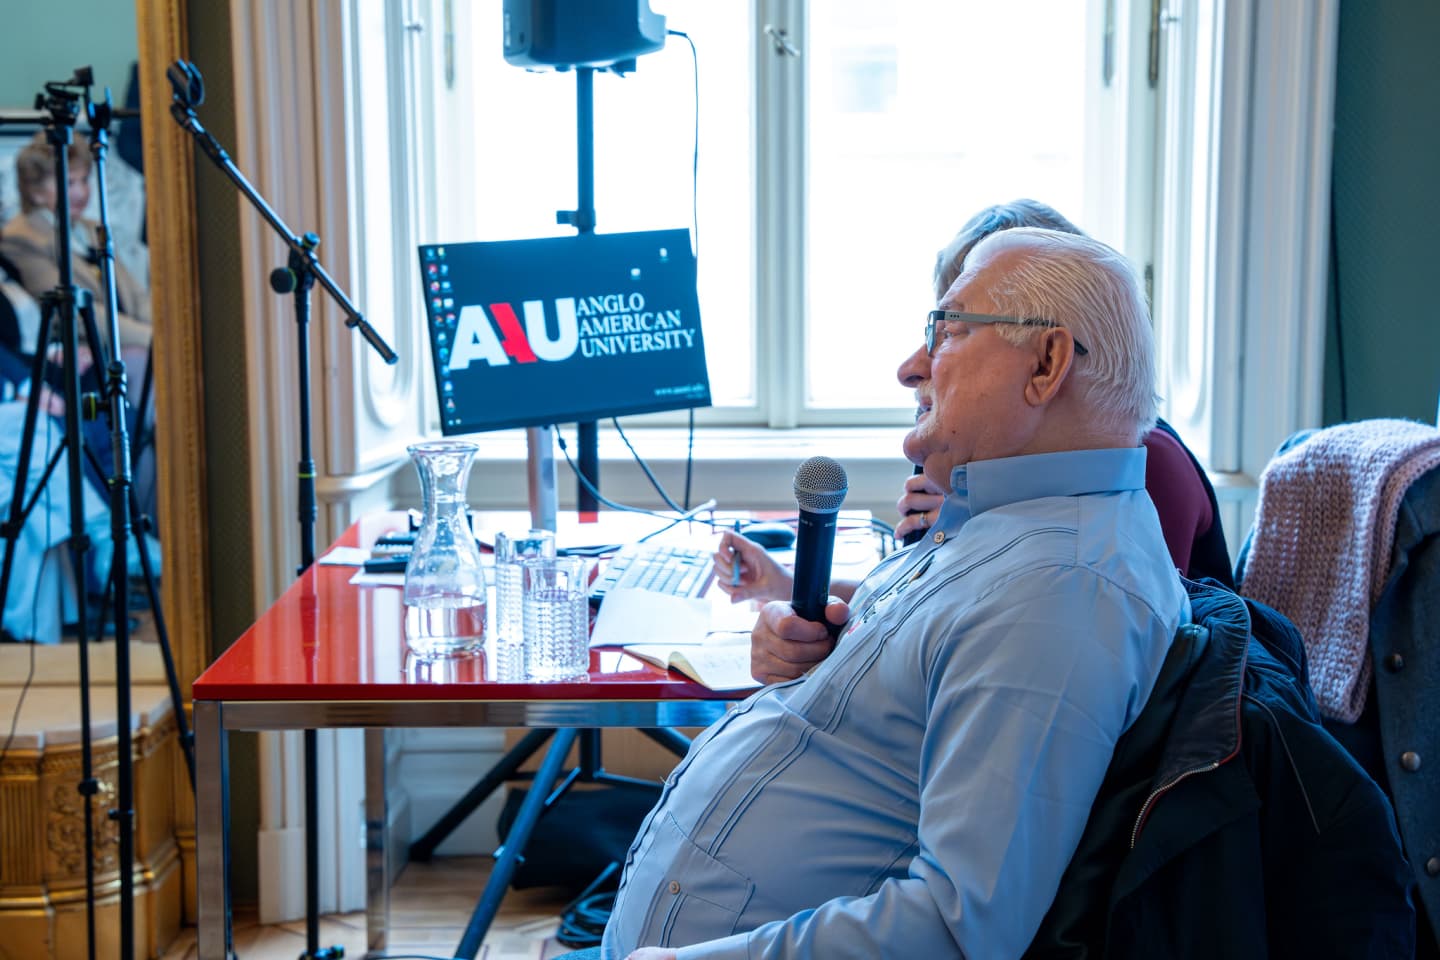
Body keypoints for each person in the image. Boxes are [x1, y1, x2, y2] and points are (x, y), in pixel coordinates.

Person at [601, 228, 1189, 959]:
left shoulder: (1059, 593)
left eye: (947, 330)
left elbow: (956, 929)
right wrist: (814, 654)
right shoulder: (995, 525)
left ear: (1046, 364)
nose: (911, 367)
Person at [719, 201, 1231, 683]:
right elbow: (922, 617)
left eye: (957, 331)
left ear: (1045, 360)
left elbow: (1103, 654)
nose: (922, 366)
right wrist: (795, 594)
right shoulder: (1007, 480)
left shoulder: (1136, 467)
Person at [0, 132, 152, 363]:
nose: (81, 192)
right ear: (35, 191)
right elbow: (73, 313)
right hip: (80, 354)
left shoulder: (91, 229)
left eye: (84, 180)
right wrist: (150, 337)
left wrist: (167, 331)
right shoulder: (22, 237)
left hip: (128, 342)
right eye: (69, 182)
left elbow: (136, 297)